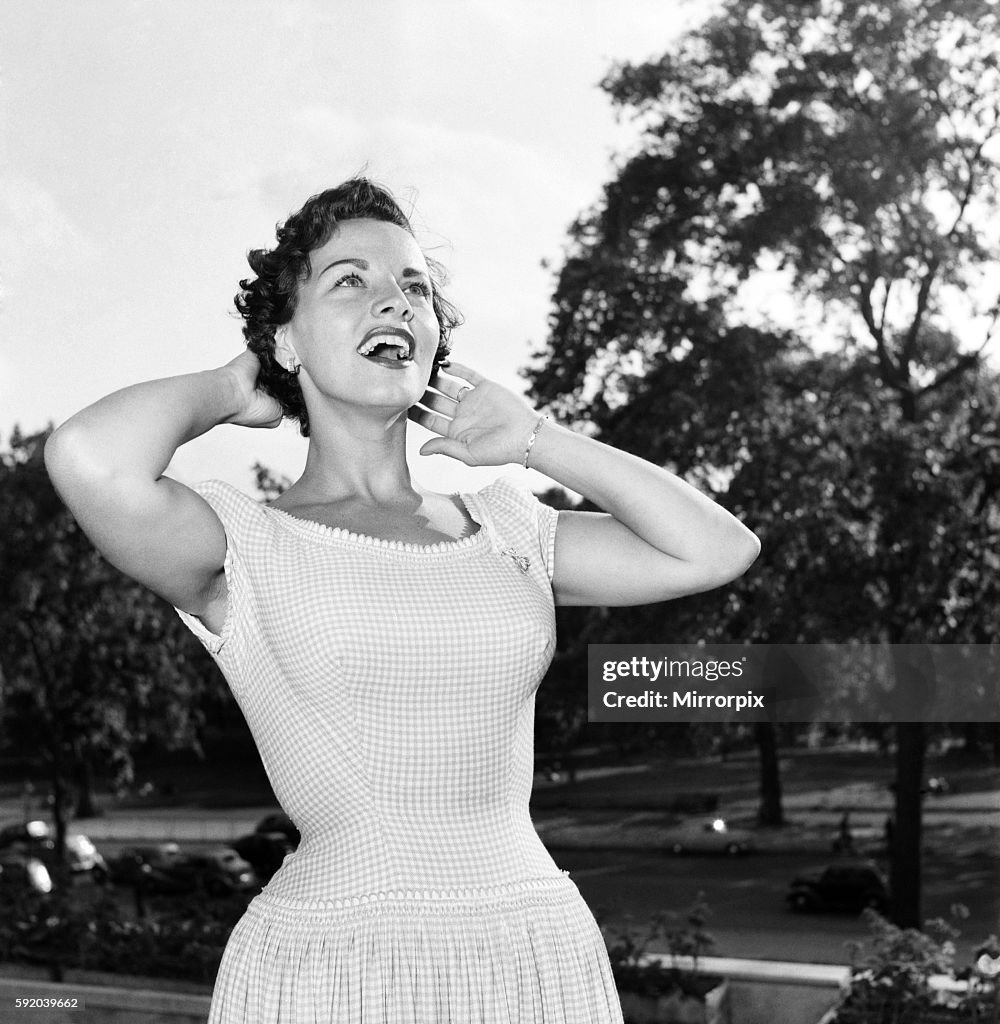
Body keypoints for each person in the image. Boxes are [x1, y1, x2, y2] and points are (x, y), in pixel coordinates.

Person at [44, 178, 761, 1024]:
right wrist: (234, 388)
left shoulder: (507, 526)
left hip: (534, 954)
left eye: (413, 286)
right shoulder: (240, 544)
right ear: (288, 339)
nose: (394, 299)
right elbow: (88, 457)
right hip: (338, 967)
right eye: (350, 280)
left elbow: (718, 548)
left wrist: (538, 441)